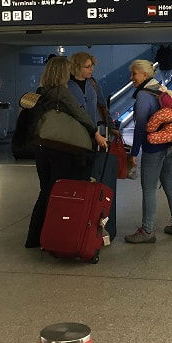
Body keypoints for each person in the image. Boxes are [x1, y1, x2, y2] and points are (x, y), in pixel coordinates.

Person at [25, 56, 108, 248]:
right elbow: (81, 115)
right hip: (59, 149)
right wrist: (96, 133)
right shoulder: (61, 92)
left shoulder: (41, 91)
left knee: (45, 190)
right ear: (63, 72)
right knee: (58, 192)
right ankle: (57, 234)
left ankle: (34, 236)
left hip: (42, 146)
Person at [124, 59, 172, 243]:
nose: (131, 78)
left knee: (149, 189)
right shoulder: (161, 89)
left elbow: (141, 126)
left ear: (144, 74)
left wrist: (134, 153)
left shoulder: (144, 95)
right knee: (169, 184)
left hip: (154, 148)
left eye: (134, 74)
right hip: (171, 145)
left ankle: (148, 231)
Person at [67, 51, 109, 128]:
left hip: (94, 131)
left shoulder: (93, 83)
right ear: (77, 68)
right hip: (74, 132)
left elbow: (103, 106)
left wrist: (111, 126)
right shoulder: (66, 86)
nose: (91, 69)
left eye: (91, 66)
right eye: (87, 67)